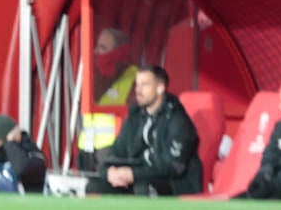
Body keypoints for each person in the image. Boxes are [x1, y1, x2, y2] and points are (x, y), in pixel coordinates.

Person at [86, 65, 202, 195]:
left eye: (145, 85)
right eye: (137, 84)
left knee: (143, 187)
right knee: (94, 187)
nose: (138, 90)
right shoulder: (134, 116)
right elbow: (117, 150)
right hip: (139, 177)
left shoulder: (177, 119)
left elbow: (173, 166)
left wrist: (134, 174)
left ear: (160, 88)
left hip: (173, 184)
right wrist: (109, 171)